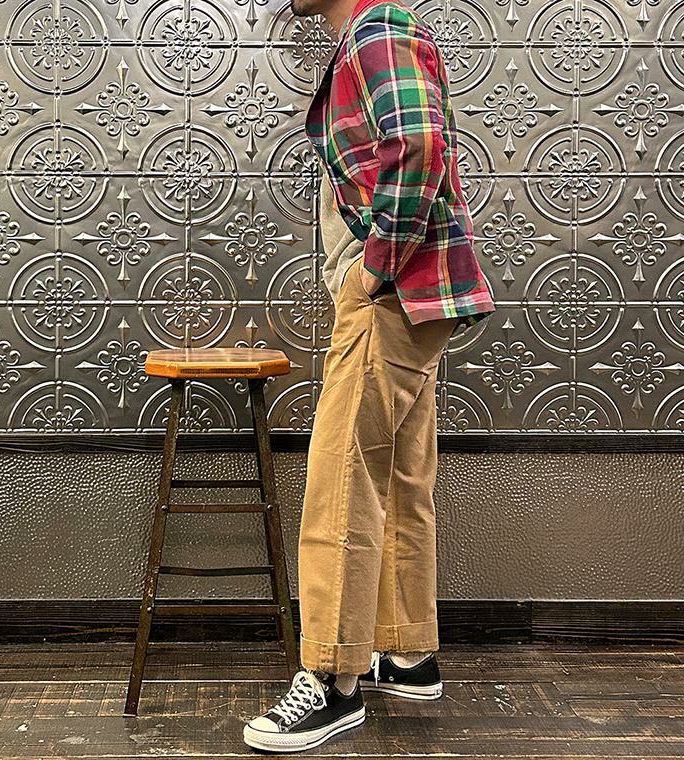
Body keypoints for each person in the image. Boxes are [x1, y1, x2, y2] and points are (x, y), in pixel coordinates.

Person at [243, 0, 496, 752]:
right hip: (416, 298)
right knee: (399, 478)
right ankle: (407, 653)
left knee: (342, 482)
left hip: (390, 296)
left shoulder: (378, 29)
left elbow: (418, 145)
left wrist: (373, 271)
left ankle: (332, 678)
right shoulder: (377, 33)